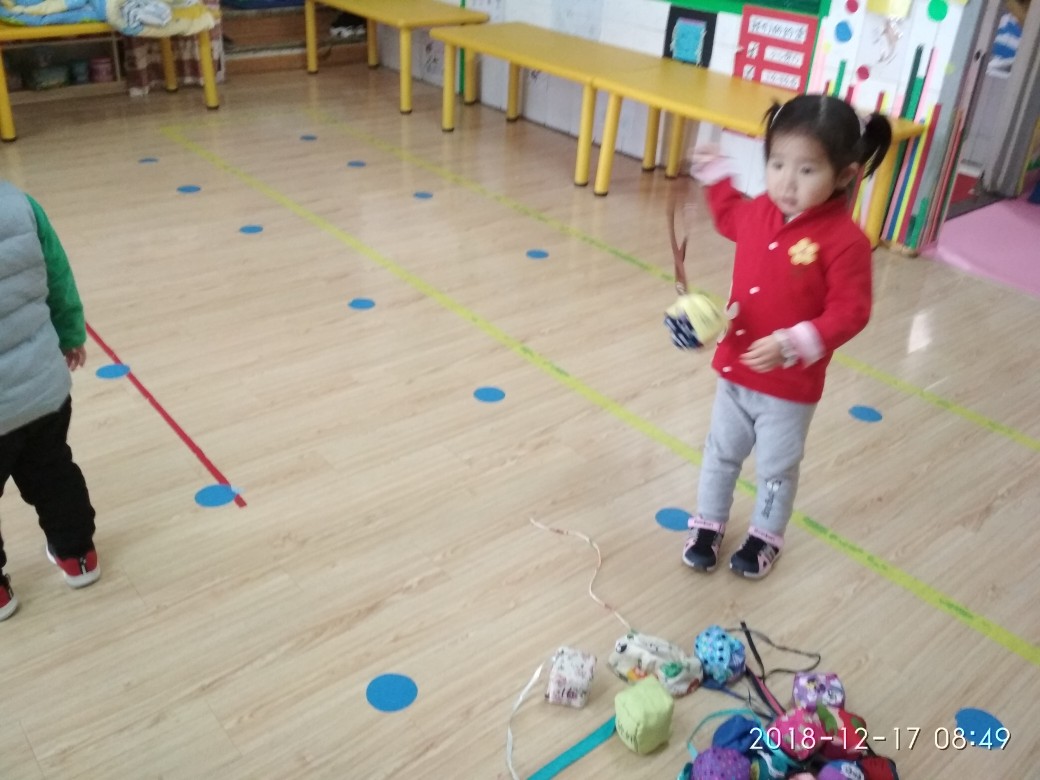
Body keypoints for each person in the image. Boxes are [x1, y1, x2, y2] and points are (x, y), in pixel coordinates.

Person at [680, 94, 891, 579]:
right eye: (776, 164)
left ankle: (766, 536)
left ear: (845, 175)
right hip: (736, 369)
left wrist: (794, 343)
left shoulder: (847, 243)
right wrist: (717, 175)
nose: (786, 182)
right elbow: (729, 216)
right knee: (720, 454)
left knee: (776, 469)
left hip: (790, 389)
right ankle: (708, 524)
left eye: (806, 170)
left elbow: (852, 312)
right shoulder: (760, 211)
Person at [0, 181, 100, 622]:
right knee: (53, 472)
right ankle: (78, 556)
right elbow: (58, 277)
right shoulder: (21, 206)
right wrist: (72, 333)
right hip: (44, 389)